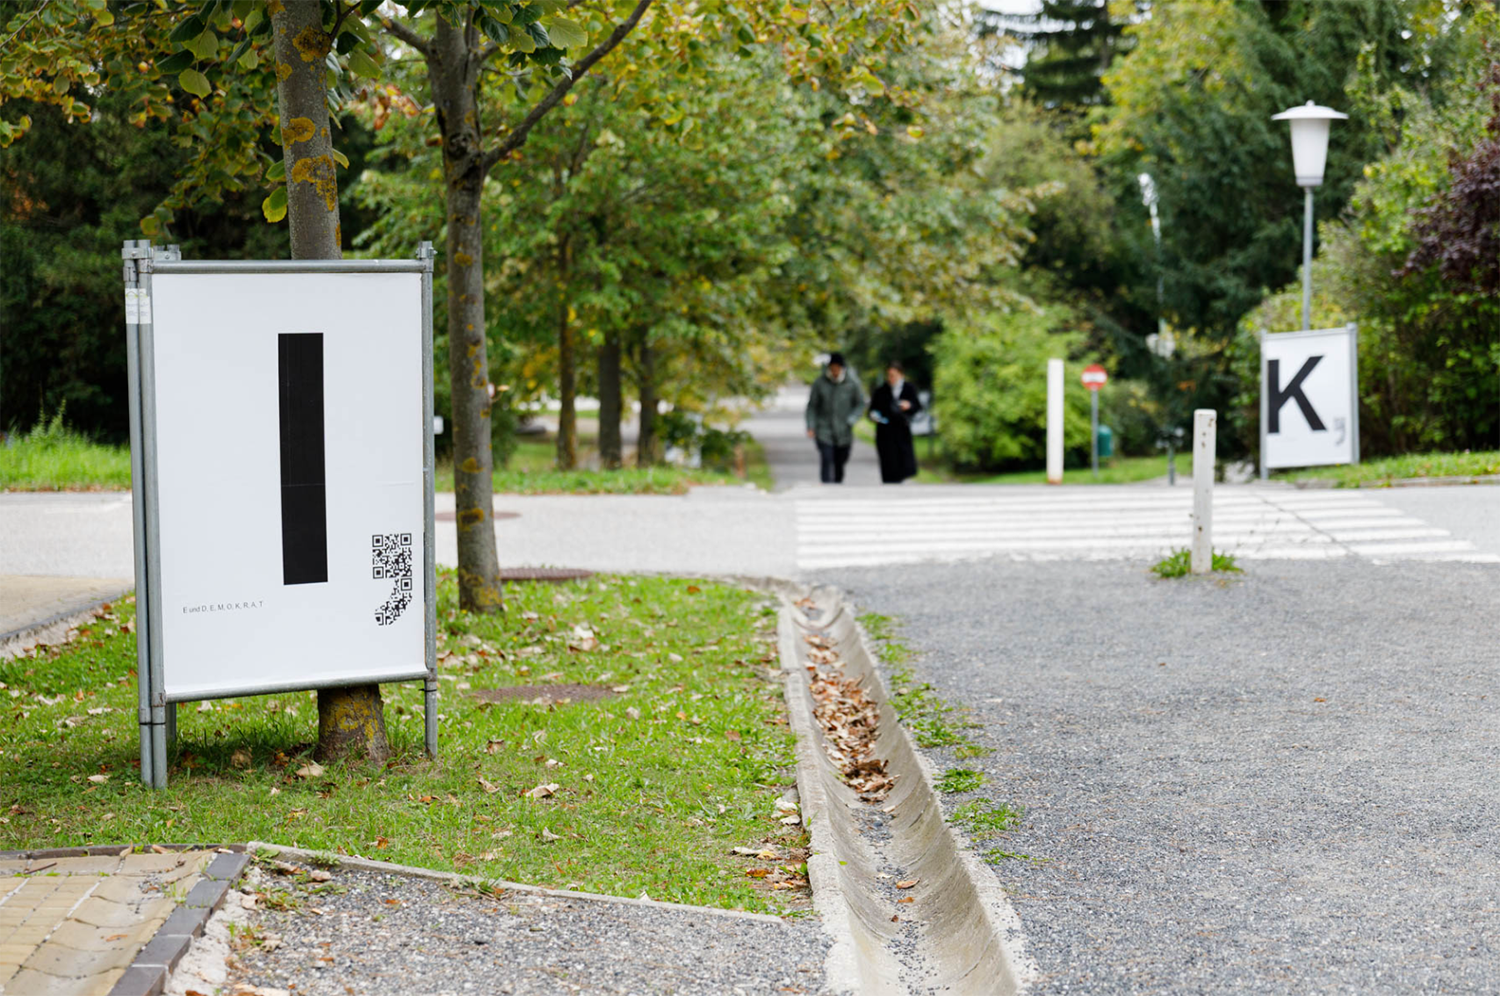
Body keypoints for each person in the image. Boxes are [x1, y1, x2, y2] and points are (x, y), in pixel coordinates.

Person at [805, 352, 865, 484]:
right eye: (832, 368)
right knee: (826, 458)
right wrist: (811, 426)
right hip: (824, 428)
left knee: (840, 460)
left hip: (844, 429)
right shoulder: (820, 383)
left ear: (842, 368)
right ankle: (826, 485)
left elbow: (860, 404)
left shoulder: (852, 383)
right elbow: (812, 407)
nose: (834, 371)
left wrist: (852, 419)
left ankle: (837, 485)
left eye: (837, 368)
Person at [867, 361, 921, 484]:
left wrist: (909, 406)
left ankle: (898, 488)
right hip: (885, 433)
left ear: (901, 375)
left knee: (902, 465)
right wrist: (874, 416)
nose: (891, 378)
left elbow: (917, 406)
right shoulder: (881, 391)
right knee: (887, 464)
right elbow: (872, 410)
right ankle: (889, 489)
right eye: (889, 375)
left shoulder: (909, 389)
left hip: (902, 431)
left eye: (894, 375)